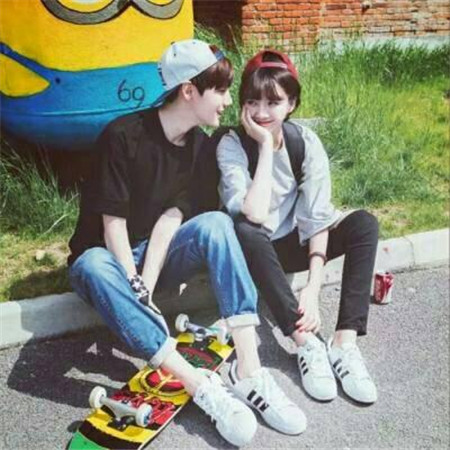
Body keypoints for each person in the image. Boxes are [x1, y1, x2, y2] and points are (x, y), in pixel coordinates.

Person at [67, 40, 306, 447]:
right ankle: (198, 384)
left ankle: (249, 371)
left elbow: (171, 219)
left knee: (216, 223)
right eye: (221, 91)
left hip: (156, 257)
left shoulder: (200, 147)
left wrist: (147, 282)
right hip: (108, 260)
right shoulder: (123, 136)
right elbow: (112, 225)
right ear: (189, 90)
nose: (229, 101)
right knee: (90, 263)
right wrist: (132, 280)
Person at [216, 49, 379, 405]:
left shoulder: (304, 142)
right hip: (254, 252)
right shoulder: (231, 144)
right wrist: (264, 147)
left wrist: (312, 288)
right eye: (252, 101)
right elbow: (253, 213)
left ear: (292, 104)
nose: (261, 112)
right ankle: (306, 343)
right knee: (246, 228)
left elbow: (316, 218)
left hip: (294, 243)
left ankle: (343, 344)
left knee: (364, 224)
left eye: (273, 102)